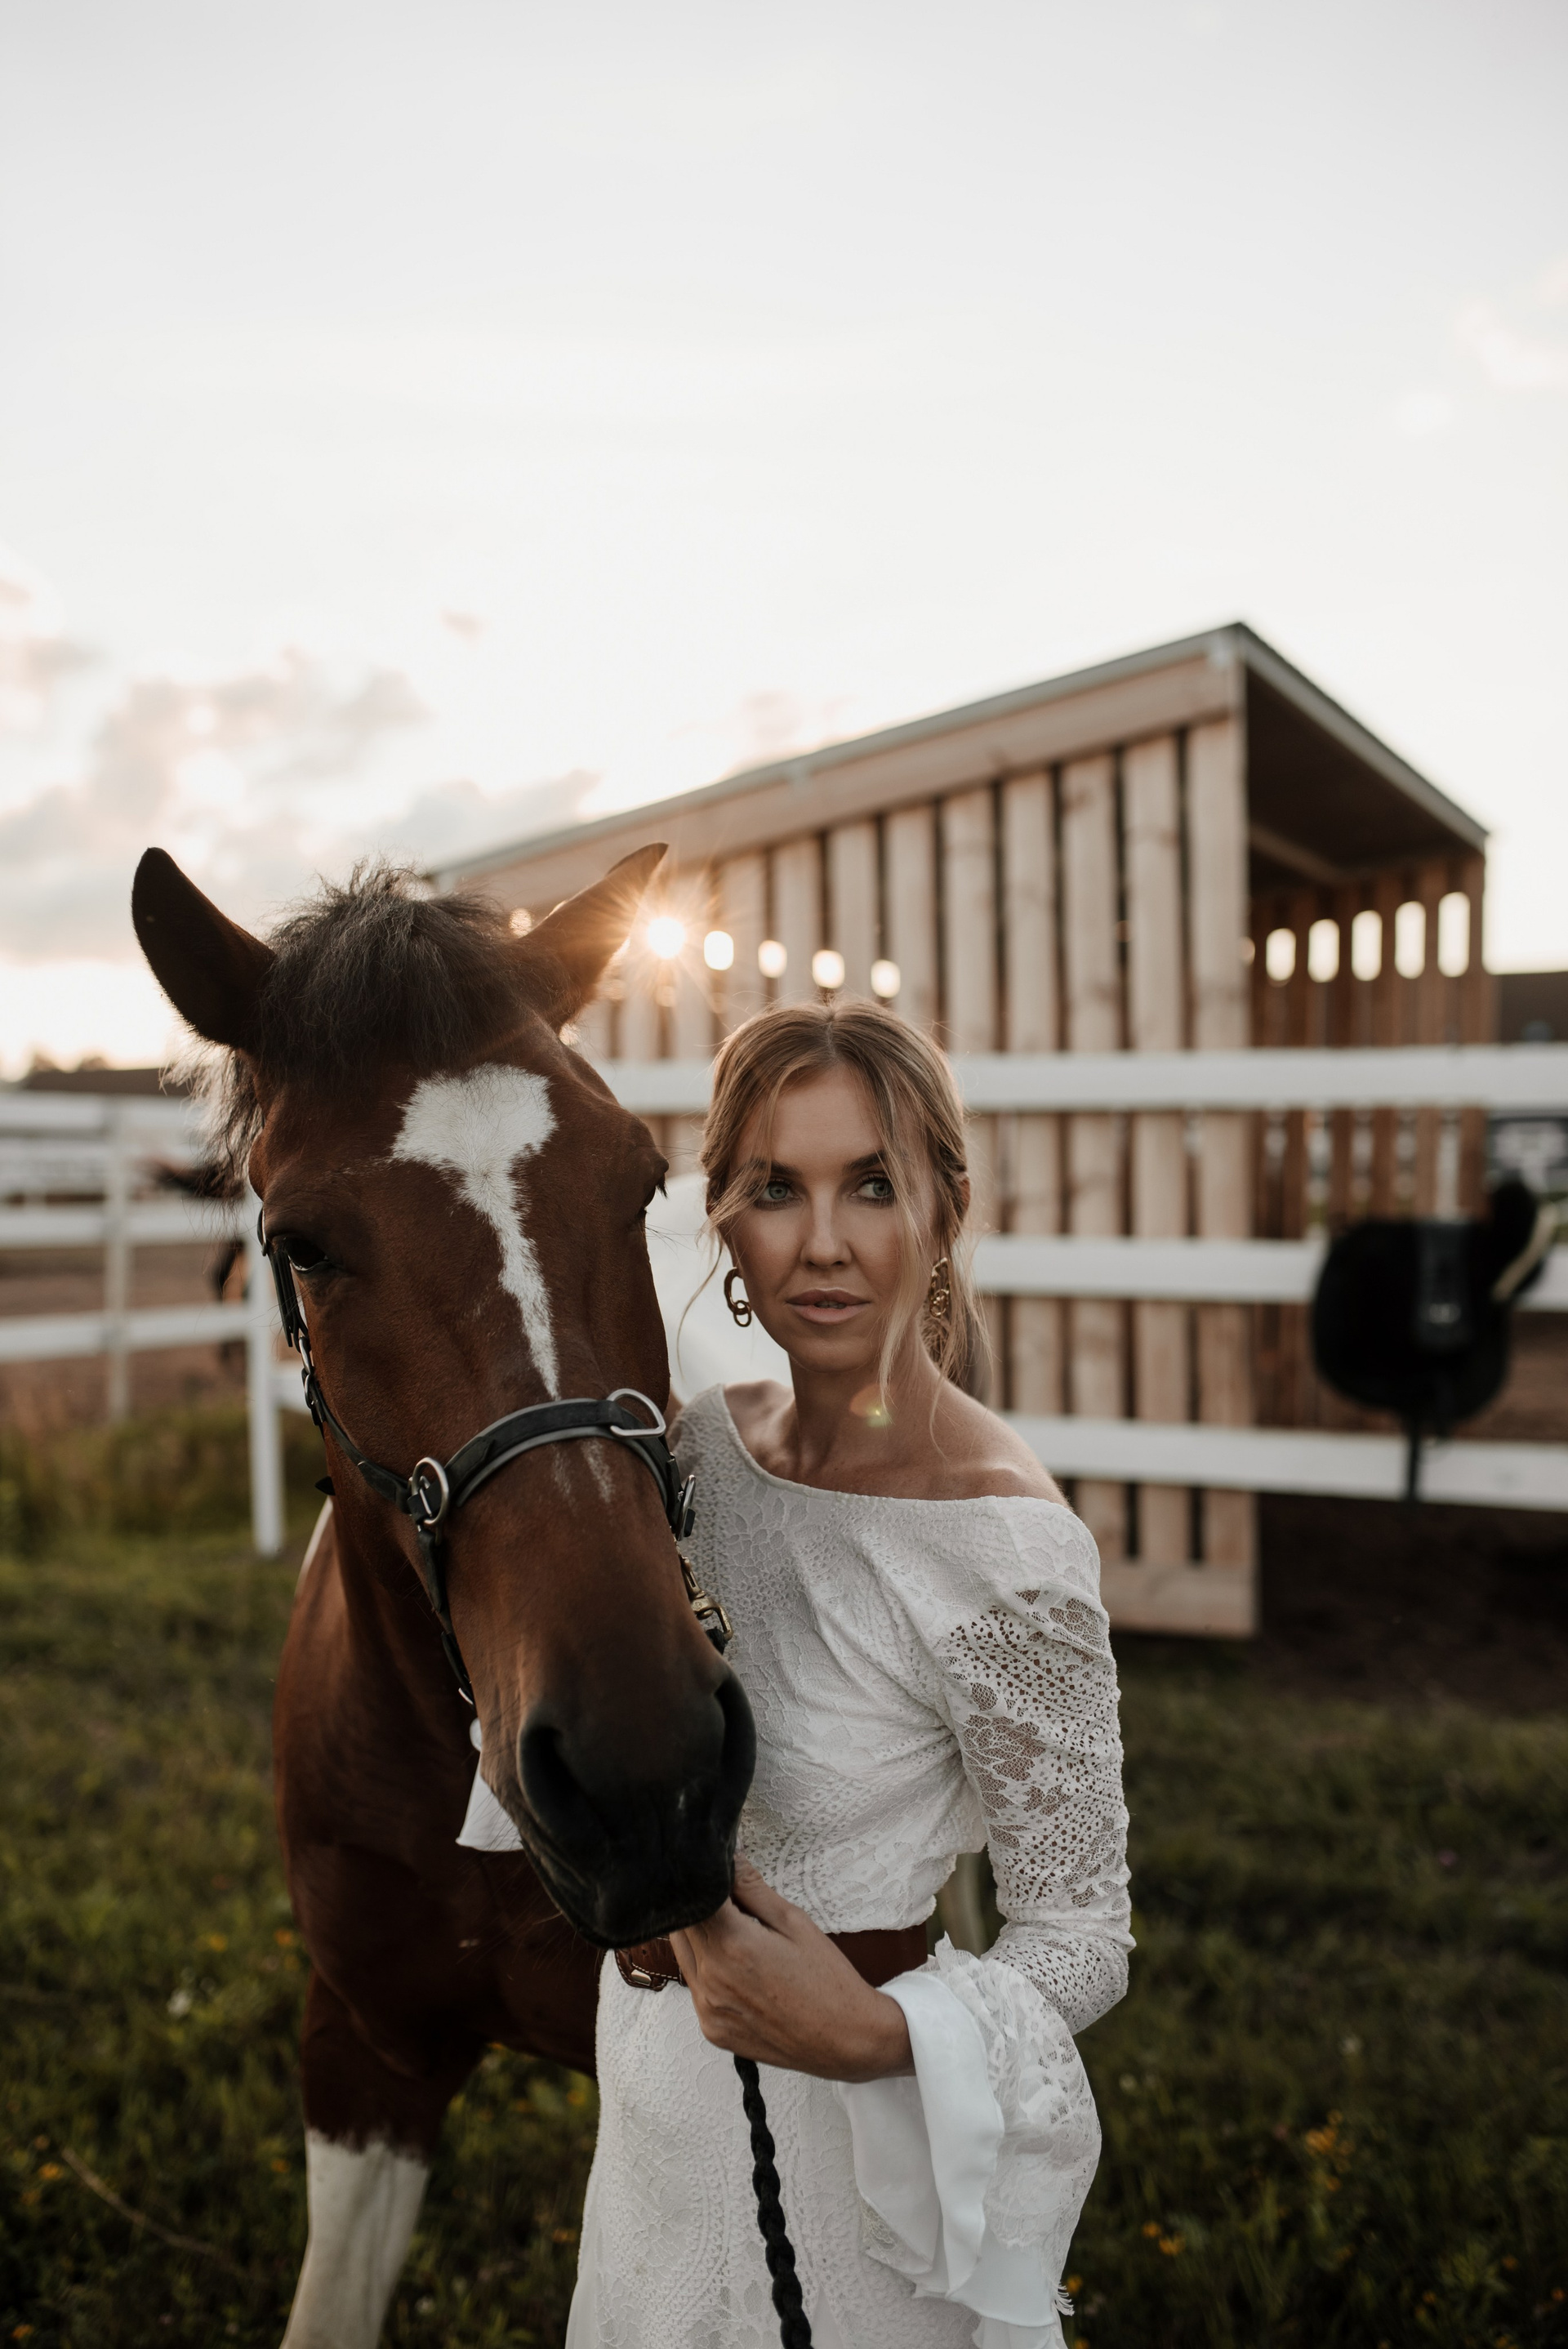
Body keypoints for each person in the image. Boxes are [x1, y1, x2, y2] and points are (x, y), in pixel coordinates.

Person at [566, 1000, 1132, 2349]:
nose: (822, 1241)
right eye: (777, 1189)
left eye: (872, 1185)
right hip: (649, 2101)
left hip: (843, 2148)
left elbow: (1082, 1937)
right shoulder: (696, 1456)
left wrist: (879, 2036)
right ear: (726, 1225)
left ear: (945, 1210)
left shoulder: (1003, 1549)